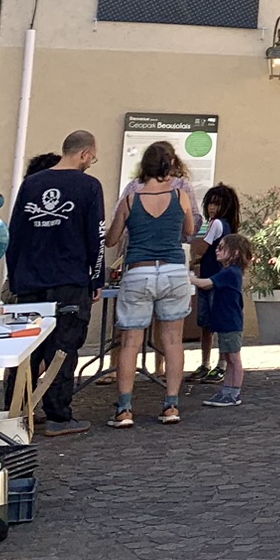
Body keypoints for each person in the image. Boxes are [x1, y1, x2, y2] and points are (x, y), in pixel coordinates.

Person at [4, 128, 105, 438]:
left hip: (30, 281)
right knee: (62, 349)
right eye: (92, 157)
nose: (91, 163)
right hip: (69, 281)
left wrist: (16, 277)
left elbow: (14, 234)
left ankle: (15, 412)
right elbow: (97, 236)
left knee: (26, 349)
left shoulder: (31, 184)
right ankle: (59, 416)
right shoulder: (89, 186)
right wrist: (96, 279)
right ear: (84, 154)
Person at [103, 140, 197, 429]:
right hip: (173, 270)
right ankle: (171, 405)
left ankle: (124, 408)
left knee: (130, 342)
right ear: (171, 165)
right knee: (173, 341)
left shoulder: (131, 198)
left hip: (139, 270)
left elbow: (112, 240)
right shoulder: (180, 195)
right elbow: (189, 230)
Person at [187, 183, 241, 385]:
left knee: (214, 324)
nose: (211, 207)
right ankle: (208, 364)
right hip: (210, 276)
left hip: (213, 279)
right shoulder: (224, 225)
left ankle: (218, 364)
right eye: (210, 203)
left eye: (216, 204)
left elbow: (202, 248)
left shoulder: (216, 224)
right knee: (207, 324)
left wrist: (192, 242)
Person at [190, 233, 253, 408]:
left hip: (230, 322)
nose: (216, 251)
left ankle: (233, 393)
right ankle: (227, 391)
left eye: (221, 248)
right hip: (226, 322)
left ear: (235, 253)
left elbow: (205, 284)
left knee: (233, 358)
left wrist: (188, 278)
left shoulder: (230, 272)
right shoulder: (228, 272)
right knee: (229, 357)